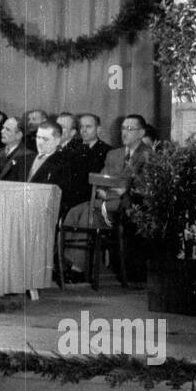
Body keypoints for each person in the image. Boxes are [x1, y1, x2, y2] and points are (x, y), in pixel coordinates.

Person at [62, 114, 151, 279]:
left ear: (141, 133)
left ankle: (78, 268)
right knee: (74, 212)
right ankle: (66, 262)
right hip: (105, 199)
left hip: (126, 204)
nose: (124, 132)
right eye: (123, 128)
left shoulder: (148, 154)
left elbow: (139, 185)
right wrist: (105, 189)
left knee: (89, 214)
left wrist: (116, 189)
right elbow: (101, 178)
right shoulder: (114, 154)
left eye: (130, 129)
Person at [23, 120, 74, 215]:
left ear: (57, 141)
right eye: (38, 137)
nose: (40, 142)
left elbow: (61, 197)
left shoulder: (63, 165)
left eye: (45, 139)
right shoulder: (23, 160)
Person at [0, 116, 35, 181]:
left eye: (7, 129)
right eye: (3, 128)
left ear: (19, 135)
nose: (2, 131)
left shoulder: (28, 156)